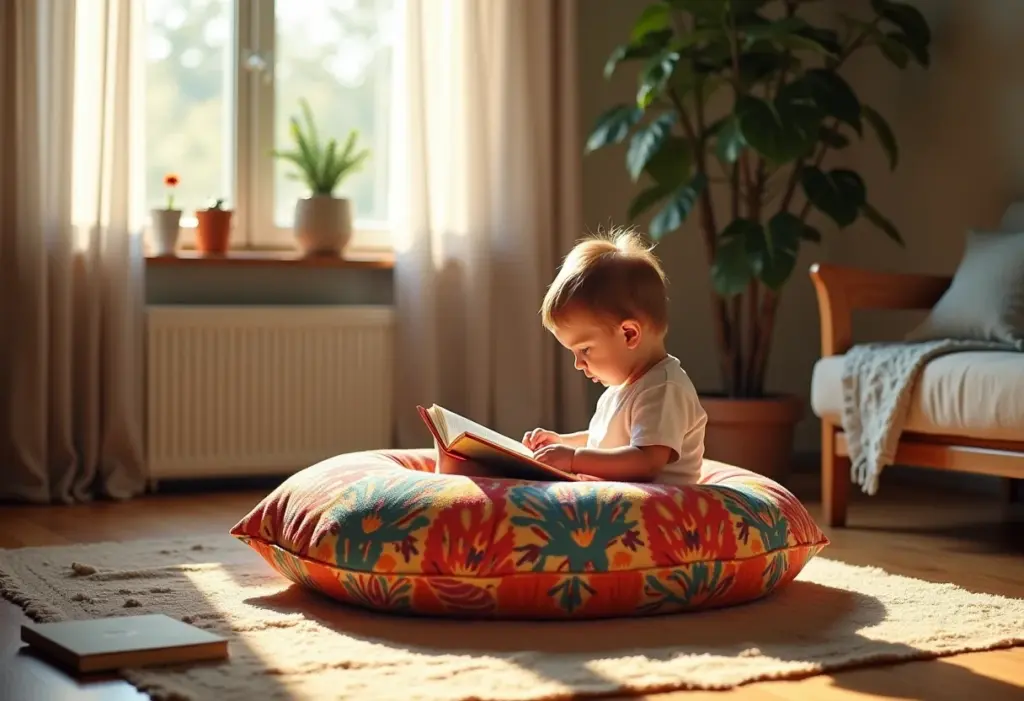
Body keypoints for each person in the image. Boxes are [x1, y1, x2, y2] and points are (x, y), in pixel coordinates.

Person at [523, 227, 706, 485]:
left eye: (584, 349)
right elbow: (604, 441)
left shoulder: (664, 388)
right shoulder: (622, 389)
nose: (578, 364)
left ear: (629, 334)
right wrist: (562, 442)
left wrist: (574, 458)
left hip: (657, 512)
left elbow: (646, 461)